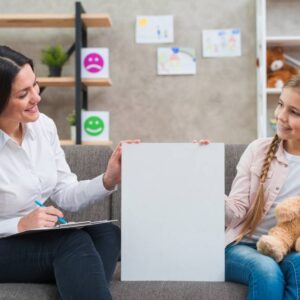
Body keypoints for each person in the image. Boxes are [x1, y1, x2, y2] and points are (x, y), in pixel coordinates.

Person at [0, 45, 139, 300]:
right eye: (23, 94)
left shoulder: (43, 126)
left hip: (33, 239)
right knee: (71, 244)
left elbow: (65, 193)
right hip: (5, 243)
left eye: (35, 85)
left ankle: (75, 278)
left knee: (108, 235)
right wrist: (19, 224)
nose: (37, 98)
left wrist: (108, 180)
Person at [225, 75, 300, 299]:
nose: (281, 116)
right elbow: (235, 212)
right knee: (267, 271)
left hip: (288, 247)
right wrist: (204, 176)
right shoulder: (258, 149)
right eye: (280, 105)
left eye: (294, 112)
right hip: (242, 245)